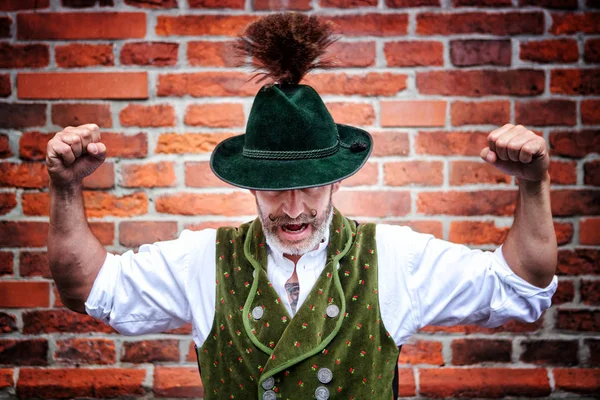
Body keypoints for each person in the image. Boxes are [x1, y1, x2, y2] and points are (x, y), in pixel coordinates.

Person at [47, 13, 557, 400]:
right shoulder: (201, 260)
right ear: (251, 186)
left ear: (335, 182)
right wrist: (67, 189)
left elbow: (521, 285)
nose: (294, 208)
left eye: (310, 186)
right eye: (275, 188)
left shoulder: (395, 257)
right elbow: (86, 288)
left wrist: (533, 186)